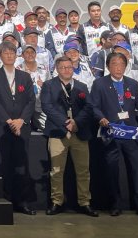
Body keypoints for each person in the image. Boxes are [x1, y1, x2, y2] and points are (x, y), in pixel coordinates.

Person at [90, 52, 138, 218]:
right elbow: (93, 106)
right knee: (112, 171)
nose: (118, 67)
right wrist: (101, 118)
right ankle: (115, 205)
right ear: (108, 66)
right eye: (114, 64)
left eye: (121, 64)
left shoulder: (132, 83)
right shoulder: (99, 84)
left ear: (126, 66)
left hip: (131, 134)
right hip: (111, 133)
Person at [40, 57, 97, 217]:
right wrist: (66, 122)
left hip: (79, 132)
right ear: (57, 69)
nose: (66, 70)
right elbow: (47, 107)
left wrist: (76, 122)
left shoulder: (81, 86)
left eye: (69, 67)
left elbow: (89, 107)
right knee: (57, 170)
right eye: (63, 67)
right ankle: (56, 201)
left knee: (83, 170)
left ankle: (84, 202)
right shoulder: (49, 85)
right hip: (58, 132)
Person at [0, 40, 36, 215]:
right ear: (0, 56)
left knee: (22, 167)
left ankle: (22, 202)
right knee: (3, 167)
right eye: (5, 53)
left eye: (12, 53)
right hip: (2, 128)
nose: (9, 55)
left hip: (22, 128)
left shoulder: (25, 76)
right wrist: (9, 121)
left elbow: (31, 101)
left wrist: (21, 120)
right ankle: (4, 202)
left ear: (16, 55)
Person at [16, 43, 49, 130]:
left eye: (32, 52)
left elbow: (51, 87)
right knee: (21, 129)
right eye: (27, 52)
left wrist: (44, 86)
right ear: (22, 55)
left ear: (35, 54)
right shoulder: (18, 70)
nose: (30, 54)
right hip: (24, 106)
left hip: (40, 105)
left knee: (47, 127)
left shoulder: (44, 68)